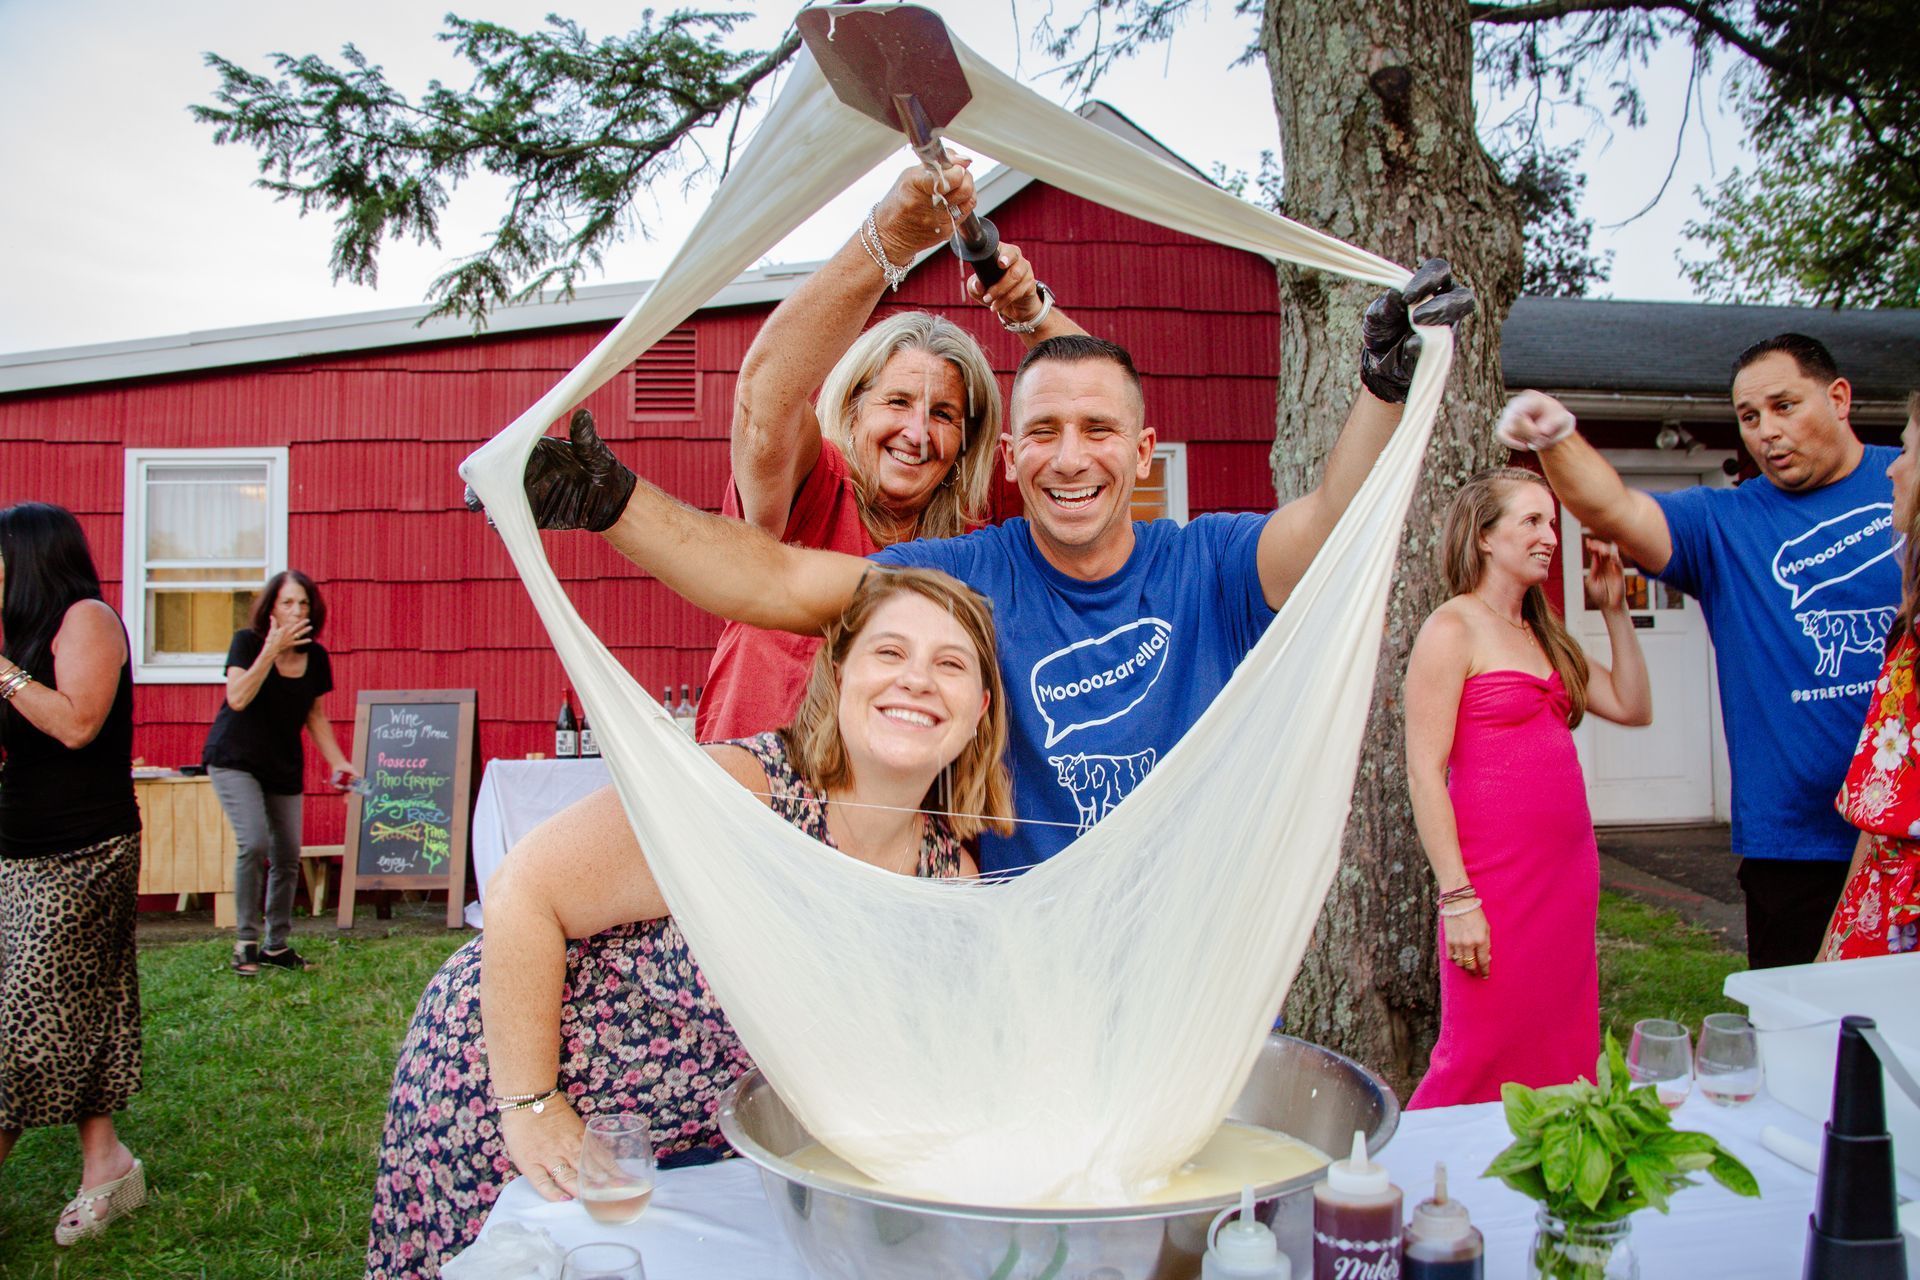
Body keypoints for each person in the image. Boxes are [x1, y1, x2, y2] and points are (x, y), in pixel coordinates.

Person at [498, 263, 1475, 875]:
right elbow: (774, 584)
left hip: (1184, 954)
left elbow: (1337, 518)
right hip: (1007, 941)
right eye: (1041, 431)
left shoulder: (1211, 562)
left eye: (1100, 431)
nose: (1070, 454)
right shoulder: (958, 579)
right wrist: (613, 501)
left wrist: (1382, 387)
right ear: (1009, 461)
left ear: (1145, 455)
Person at [364, 568, 1010, 1279]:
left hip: (681, 1158)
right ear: (838, 672)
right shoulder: (744, 795)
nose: (917, 680)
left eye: (949, 664)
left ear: (978, 708)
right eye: (889, 653)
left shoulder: (948, 880)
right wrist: (530, 1106)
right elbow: (524, 889)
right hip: (513, 1087)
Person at [1499, 335, 1901, 969]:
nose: (1766, 431)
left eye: (1784, 406)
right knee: (1800, 1043)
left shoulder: (1905, 483)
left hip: (1908, 833)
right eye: (1749, 417)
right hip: (1794, 846)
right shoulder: (1722, 524)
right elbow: (1612, 508)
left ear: (1839, 398)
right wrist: (1555, 438)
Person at [696, 157, 1081, 740]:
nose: (919, 433)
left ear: (966, 442)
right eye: (898, 402)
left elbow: (1099, 412)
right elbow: (764, 398)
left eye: (945, 414)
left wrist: (1031, 312)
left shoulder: (981, 526)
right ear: (852, 409)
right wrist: (891, 237)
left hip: (912, 816)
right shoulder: (814, 490)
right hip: (758, 808)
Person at [1402, 470, 1652, 1108]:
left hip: (1567, 876)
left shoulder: (1545, 633)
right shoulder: (1452, 628)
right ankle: (1420, 1185)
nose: (1550, 536)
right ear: (1484, 537)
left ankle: (1545, 1179)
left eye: (1552, 523)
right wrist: (1457, 897)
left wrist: (1616, 609)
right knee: (1477, 1049)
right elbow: (1424, 770)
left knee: (1562, 1043)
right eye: (1532, 521)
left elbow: (1631, 705)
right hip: (1494, 880)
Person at [0, 502, 148, 1245]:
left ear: (27, 558)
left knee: (24, 1016)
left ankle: (105, 1161)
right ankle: (106, 1162)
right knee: (73, 1003)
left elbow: (76, 723)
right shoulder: (22, 639)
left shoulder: (85, 617)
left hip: (84, 851)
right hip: (21, 851)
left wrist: (1, 673)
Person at [202, 570, 356, 976]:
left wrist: (339, 761)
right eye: (287, 602)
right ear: (271, 608)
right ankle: (245, 942)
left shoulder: (316, 657)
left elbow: (314, 715)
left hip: (282, 764)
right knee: (253, 842)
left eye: (303, 603)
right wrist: (270, 651)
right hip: (234, 758)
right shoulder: (247, 643)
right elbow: (236, 698)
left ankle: (276, 946)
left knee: (287, 854)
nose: (296, 610)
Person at [1822, 392, 1920, 961]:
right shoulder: (1907, 626)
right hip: (1874, 912)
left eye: (1907, 449)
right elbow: (1877, 819)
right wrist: (1831, 946)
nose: (1892, 467)